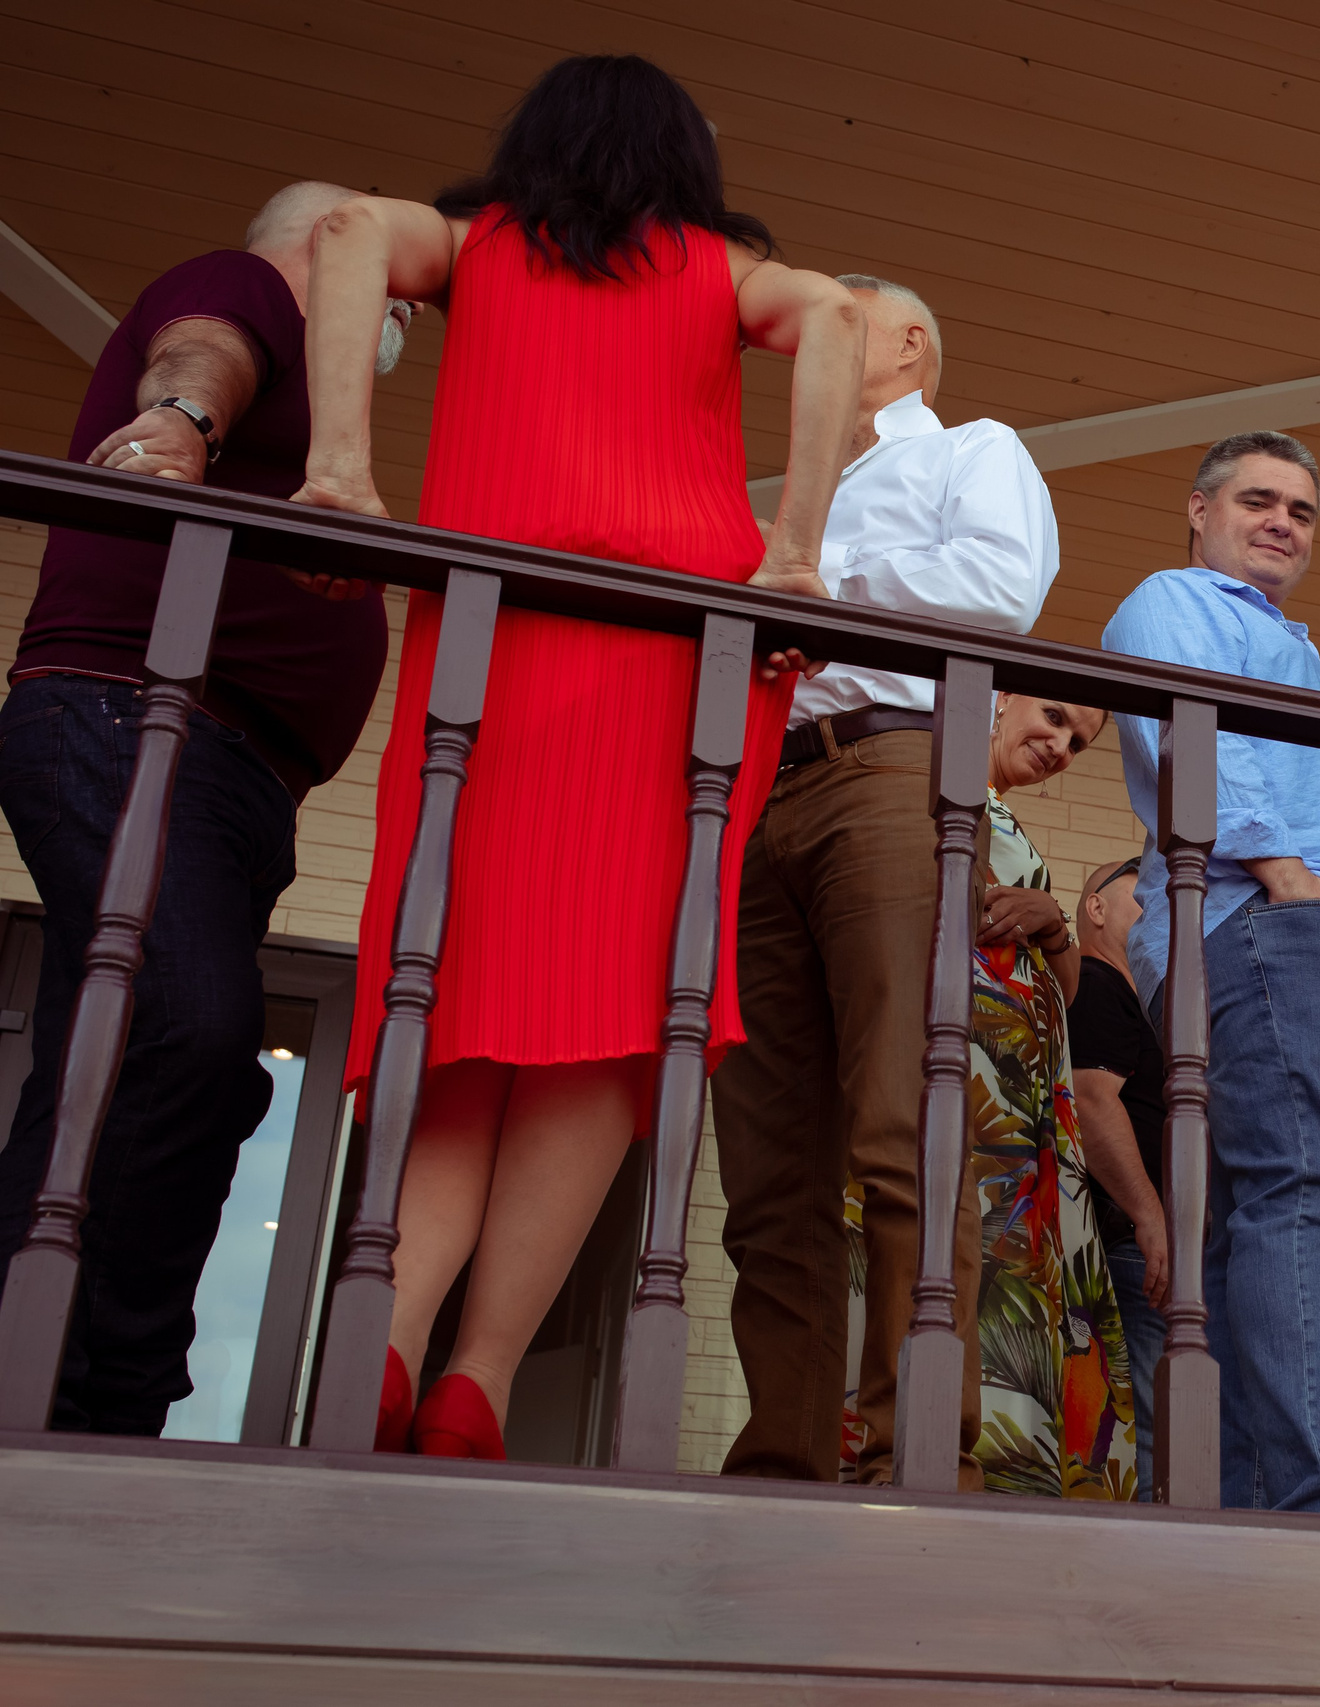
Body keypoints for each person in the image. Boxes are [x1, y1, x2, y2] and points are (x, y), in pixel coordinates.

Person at [296, 55, 865, 1459]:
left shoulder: (478, 247)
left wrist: (342, 471)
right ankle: (482, 1372)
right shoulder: (719, 271)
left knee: (459, 997)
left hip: (492, 664)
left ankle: (394, 1333)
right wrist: (792, 550)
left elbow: (348, 229)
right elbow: (847, 316)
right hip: (664, 677)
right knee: (610, 1025)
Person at [0, 182, 402, 1437]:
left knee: (115, 1058)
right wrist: (176, 424)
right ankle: (95, 1393)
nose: (394, 312)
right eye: (389, 286)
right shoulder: (258, 288)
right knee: (193, 1026)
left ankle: (49, 1360)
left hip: (222, 773)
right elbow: (200, 355)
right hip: (140, 723)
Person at [711, 271, 1060, 1486]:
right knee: (764, 1157)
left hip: (883, 768)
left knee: (899, 1119)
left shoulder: (970, 448)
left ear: (908, 341)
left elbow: (996, 590)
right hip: (755, 792)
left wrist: (815, 584)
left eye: (837, 316)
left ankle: (914, 1450)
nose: (803, 335)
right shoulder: (780, 496)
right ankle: (787, 1454)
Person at [1101, 429, 1320, 1516]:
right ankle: (1314, 1496)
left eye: (1301, 511)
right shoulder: (1174, 601)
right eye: (1259, 500)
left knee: (1257, 1206)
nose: (1283, 523)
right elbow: (1186, 733)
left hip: (1305, 930)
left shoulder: (1301, 650)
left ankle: (1251, 1488)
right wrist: (1282, 873)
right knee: (1303, 1196)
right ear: (1199, 511)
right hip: (1264, 916)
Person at [839, 694, 1137, 1496]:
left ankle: (1010, 1472)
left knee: (1017, 1292)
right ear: (997, 700)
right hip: (939, 1083)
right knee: (926, 1253)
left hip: (1025, 1119)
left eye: (1078, 741)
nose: (1061, 744)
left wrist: (1053, 926)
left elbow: (1064, 990)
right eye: (1053, 717)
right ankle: (914, 1454)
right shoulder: (918, 785)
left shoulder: (1014, 827)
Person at [1063, 854, 1172, 1497]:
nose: (1155, 915)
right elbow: (1091, 1098)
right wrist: (1150, 1214)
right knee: (1154, 1424)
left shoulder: (1140, 1004)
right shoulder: (1100, 984)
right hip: (1135, 1248)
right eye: (1142, 901)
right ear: (1095, 909)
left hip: (1146, 1247)